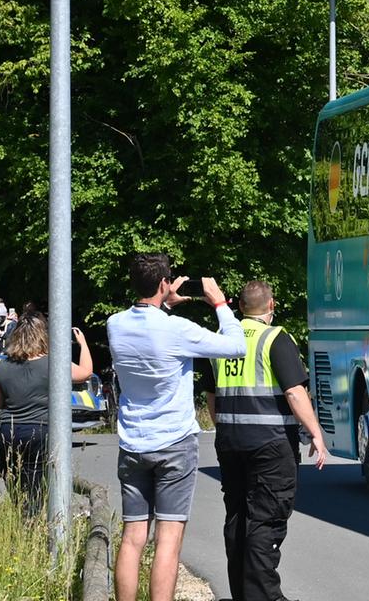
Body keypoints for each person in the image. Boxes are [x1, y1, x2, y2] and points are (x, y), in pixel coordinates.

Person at [107, 253, 246, 601]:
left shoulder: (115, 324)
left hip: (133, 442)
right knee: (168, 540)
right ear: (165, 284)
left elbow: (148, 327)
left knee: (133, 536)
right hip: (173, 443)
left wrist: (164, 306)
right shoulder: (178, 330)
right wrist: (220, 303)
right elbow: (236, 345)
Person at [199, 281, 329, 601]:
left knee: (237, 517)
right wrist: (316, 432)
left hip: (230, 443)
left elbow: (211, 397)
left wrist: (228, 427)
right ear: (270, 306)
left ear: (240, 307)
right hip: (270, 445)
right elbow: (294, 392)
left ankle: (243, 593)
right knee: (265, 521)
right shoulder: (275, 338)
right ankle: (265, 596)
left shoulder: (220, 339)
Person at [0, 311, 93, 518]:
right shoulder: (53, 363)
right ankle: (34, 533)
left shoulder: (2, 366)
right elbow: (85, 372)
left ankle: (24, 530)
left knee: (18, 495)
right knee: (37, 493)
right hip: (40, 432)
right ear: (43, 335)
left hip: (6, 433)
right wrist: (83, 343)